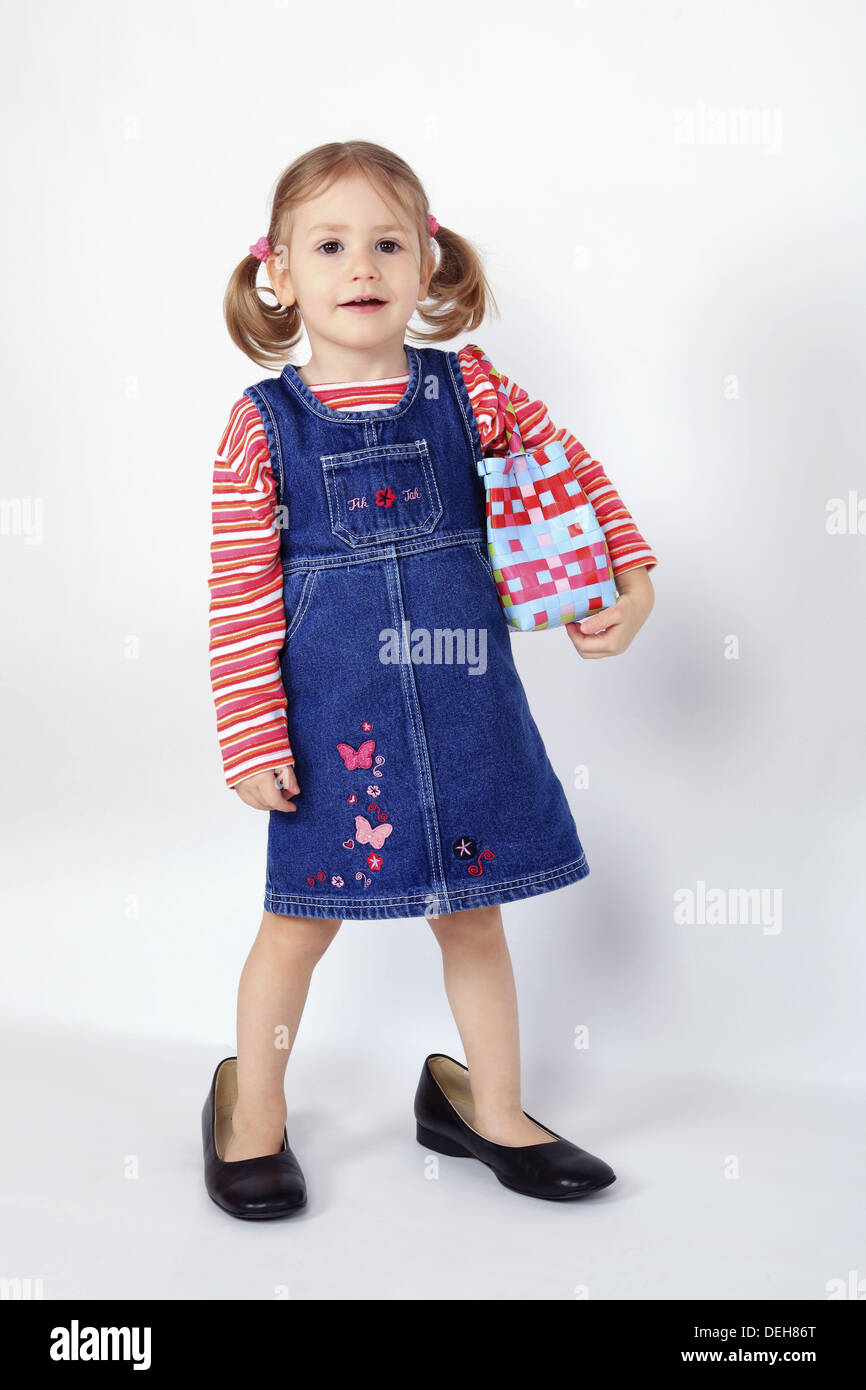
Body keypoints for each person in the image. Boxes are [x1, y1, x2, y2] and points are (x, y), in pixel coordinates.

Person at [202, 140, 658, 1219]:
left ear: (425, 265)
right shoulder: (259, 427)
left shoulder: (474, 390)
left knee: (473, 917)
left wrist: (629, 579)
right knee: (298, 923)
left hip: (467, 714)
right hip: (332, 734)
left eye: (386, 242)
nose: (359, 265)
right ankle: (250, 1112)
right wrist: (249, 733)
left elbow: (576, 472)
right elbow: (236, 593)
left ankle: (488, 1106)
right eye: (329, 244)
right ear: (279, 272)